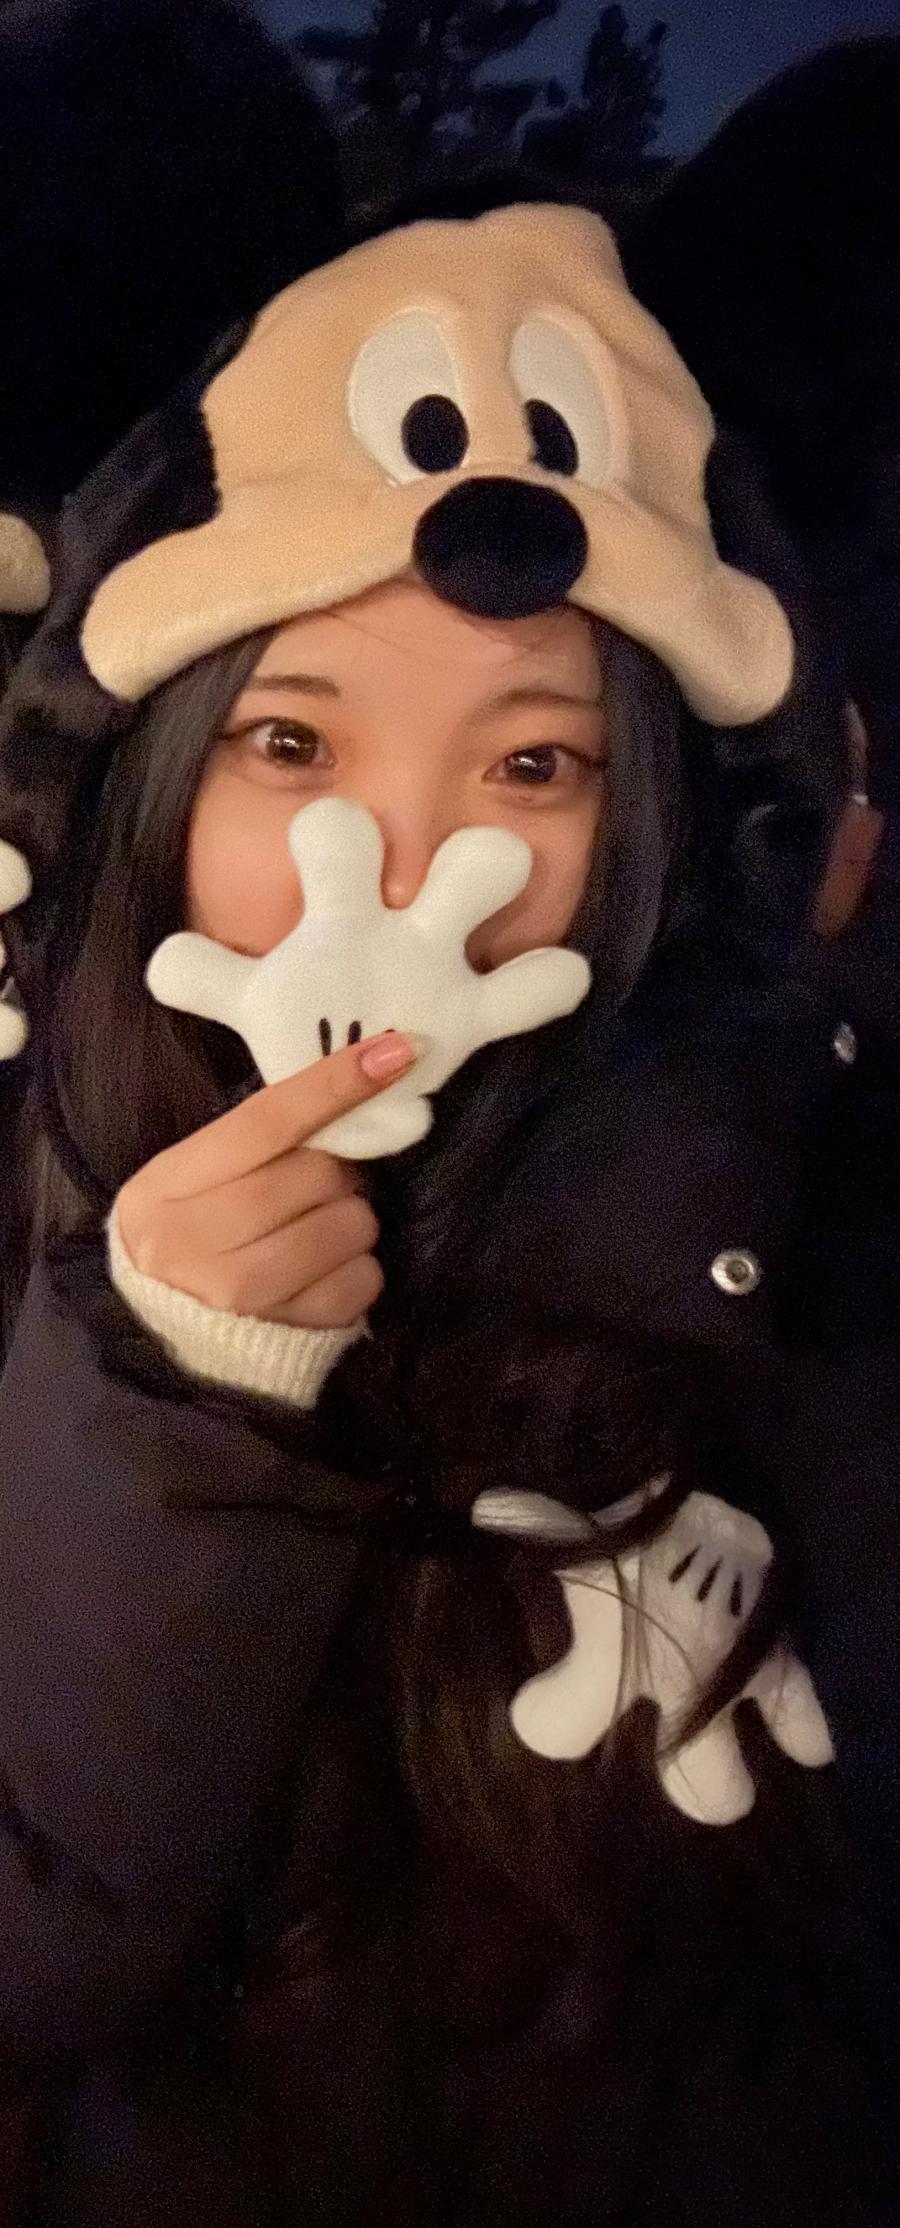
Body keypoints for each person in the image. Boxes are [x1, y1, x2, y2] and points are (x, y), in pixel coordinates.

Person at [0, 203, 892, 2224]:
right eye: (290, 739)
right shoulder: (31, 1165)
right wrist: (168, 1388)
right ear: (150, 774)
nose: (401, 861)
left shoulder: (806, 1210)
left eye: (535, 761)